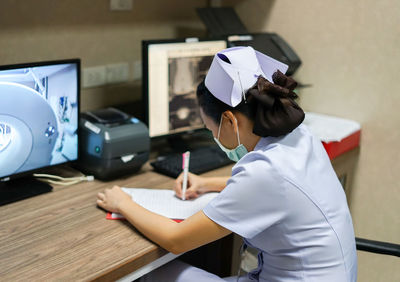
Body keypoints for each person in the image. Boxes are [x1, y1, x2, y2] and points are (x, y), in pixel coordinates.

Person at [96, 46, 358, 282]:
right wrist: (207, 183)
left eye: (211, 129)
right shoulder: (300, 136)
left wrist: (124, 203)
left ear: (230, 121)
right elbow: (284, 189)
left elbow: (176, 240)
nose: (213, 137)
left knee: (151, 275)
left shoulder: (265, 173)